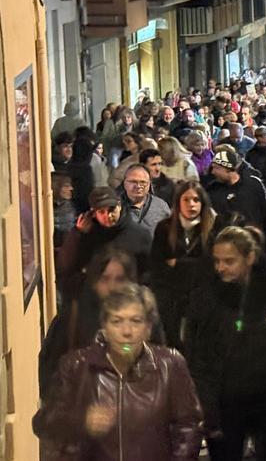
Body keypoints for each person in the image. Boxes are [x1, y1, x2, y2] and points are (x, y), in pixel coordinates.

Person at [33, 284, 203, 461]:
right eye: (117, 321)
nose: (126, 332)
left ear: (148, 328)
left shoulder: (170, 366)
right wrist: (82, 420)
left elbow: (189, 426)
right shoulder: (77, 366)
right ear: (105, 327)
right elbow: (43, 423)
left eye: (136, 321)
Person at [183, 226, 266, 461]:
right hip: (226, 407)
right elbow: (198, 357)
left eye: (229, 261)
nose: (221, 268)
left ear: (250, 257)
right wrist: (208, 410)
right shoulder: (206, 297)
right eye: (217, 261)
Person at [39, 248, 164, 398]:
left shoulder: (145, 318)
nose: (112, 287)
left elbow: (159, 366)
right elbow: (50, 371)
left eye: (120, 279)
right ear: (95, 282)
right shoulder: (73, 316)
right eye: (105, 279)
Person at [150, 181, 216, 349]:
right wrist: (194, 266)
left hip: (201, 299)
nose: (191, 204)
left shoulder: (213, 229)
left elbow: (211, 266)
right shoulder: (164, 228)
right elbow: (157, 266)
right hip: (172, 300)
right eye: (186, 199)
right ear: (178, 202)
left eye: (196, 199)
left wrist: (177, 263)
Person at [115, 164, 172, 268]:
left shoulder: (161, 206)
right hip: (122, 264)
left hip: (154, 264)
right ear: (124, 183)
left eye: (143, 182)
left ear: (149, 184)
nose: (138, 186)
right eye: (133, 181)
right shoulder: (114, 207)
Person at [207, 149, 266, 226]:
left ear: (229, 169)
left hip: (251, 235)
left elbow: (265, 210)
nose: (213, 172)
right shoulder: (212, 189)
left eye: (217, 168)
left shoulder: (254, 184)